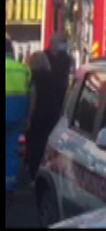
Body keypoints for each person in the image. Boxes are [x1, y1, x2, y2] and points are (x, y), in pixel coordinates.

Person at [24, 33, 74, 180]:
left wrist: (28, 115)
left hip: (44, 114)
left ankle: (34, 170)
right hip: (51, 112)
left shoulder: (65, 59)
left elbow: (33, 96)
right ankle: (39, 169)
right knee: (42, 143)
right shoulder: (51, 70)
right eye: (61, 42)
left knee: (36, 143)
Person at [6, 35, 32, 194]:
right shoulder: (23, 69)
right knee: (11, 151)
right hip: (16, 116)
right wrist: (27, 116)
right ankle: (9, 187)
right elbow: (31, 94)